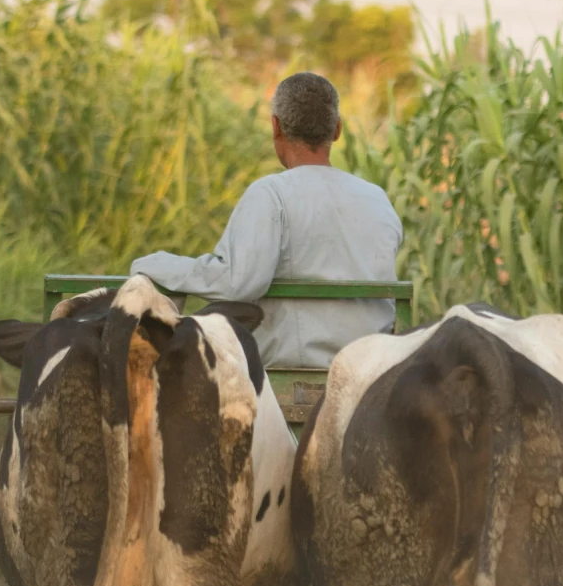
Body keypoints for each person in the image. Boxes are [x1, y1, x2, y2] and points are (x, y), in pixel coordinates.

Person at [129, 70, 404, 370]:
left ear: (276, 127)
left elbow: (237, 283)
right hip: (373, 365)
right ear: (336, 130)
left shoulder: (272, 194)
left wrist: (155, 265)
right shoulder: (377, 198)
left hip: (297, 371)